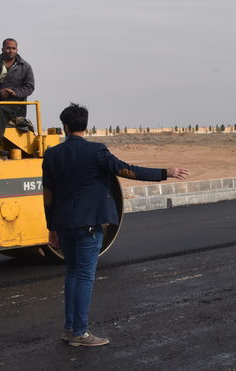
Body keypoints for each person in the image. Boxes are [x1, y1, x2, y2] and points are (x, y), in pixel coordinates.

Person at [42, 103, 190, 347]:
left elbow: (48, 194)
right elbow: (127, 171)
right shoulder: (97, 151)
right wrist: (166, 172)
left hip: (64, 224)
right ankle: (80, 333)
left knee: (72, 274)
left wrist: (51, 227)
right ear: (85, 126)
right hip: (89, 225)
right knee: (85, 277)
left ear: (65, 127)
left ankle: (70, 329)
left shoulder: (52, 154)